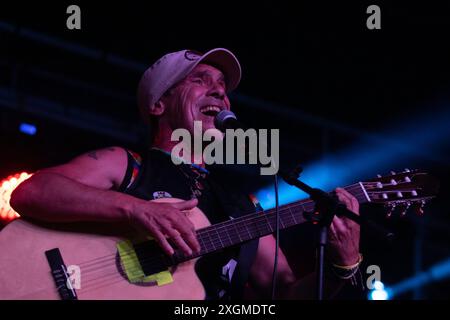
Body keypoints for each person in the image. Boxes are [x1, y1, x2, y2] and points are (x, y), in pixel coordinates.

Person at [10, 48, 361, 300]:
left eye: (222, 85)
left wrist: (341, 266)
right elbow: (30, 193)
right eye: (201, 79)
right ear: (158, 104)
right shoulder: (127, 165)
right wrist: (135, 209)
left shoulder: (242, 207)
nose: (220, 91)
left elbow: (284, 291)